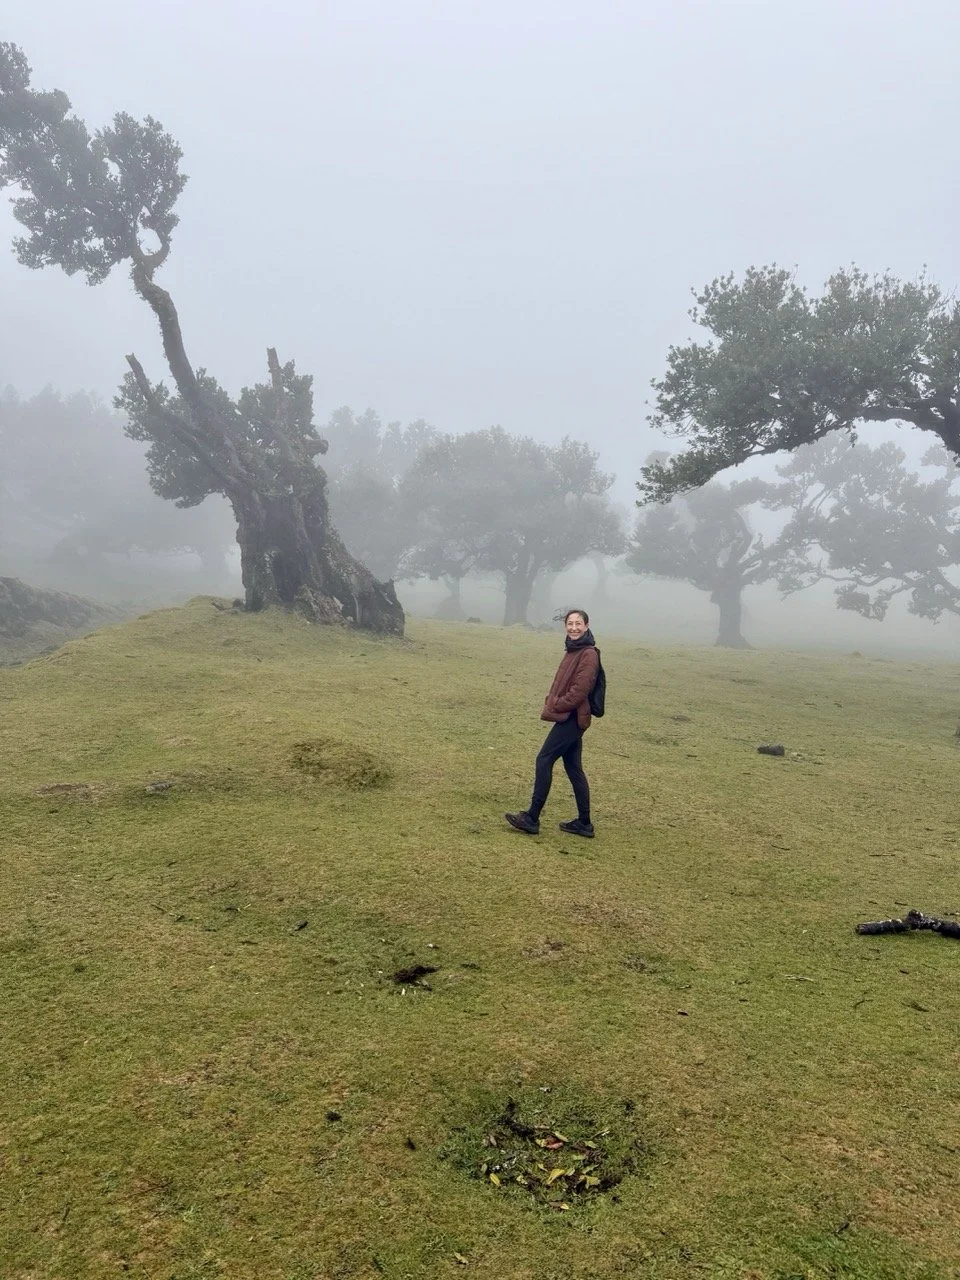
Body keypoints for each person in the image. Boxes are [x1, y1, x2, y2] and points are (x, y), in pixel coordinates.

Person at [505, 608, 599, 838]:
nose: (574, 627)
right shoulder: (574, 649)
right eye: (570, 623)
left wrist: (557, 704)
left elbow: (580, 691)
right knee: (573, 767)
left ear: (586, 626)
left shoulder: (588, 653)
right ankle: (584, 823)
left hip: (573, 718)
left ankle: (532, 817)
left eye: (578, 623)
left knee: (544, 759)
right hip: (572, 716)